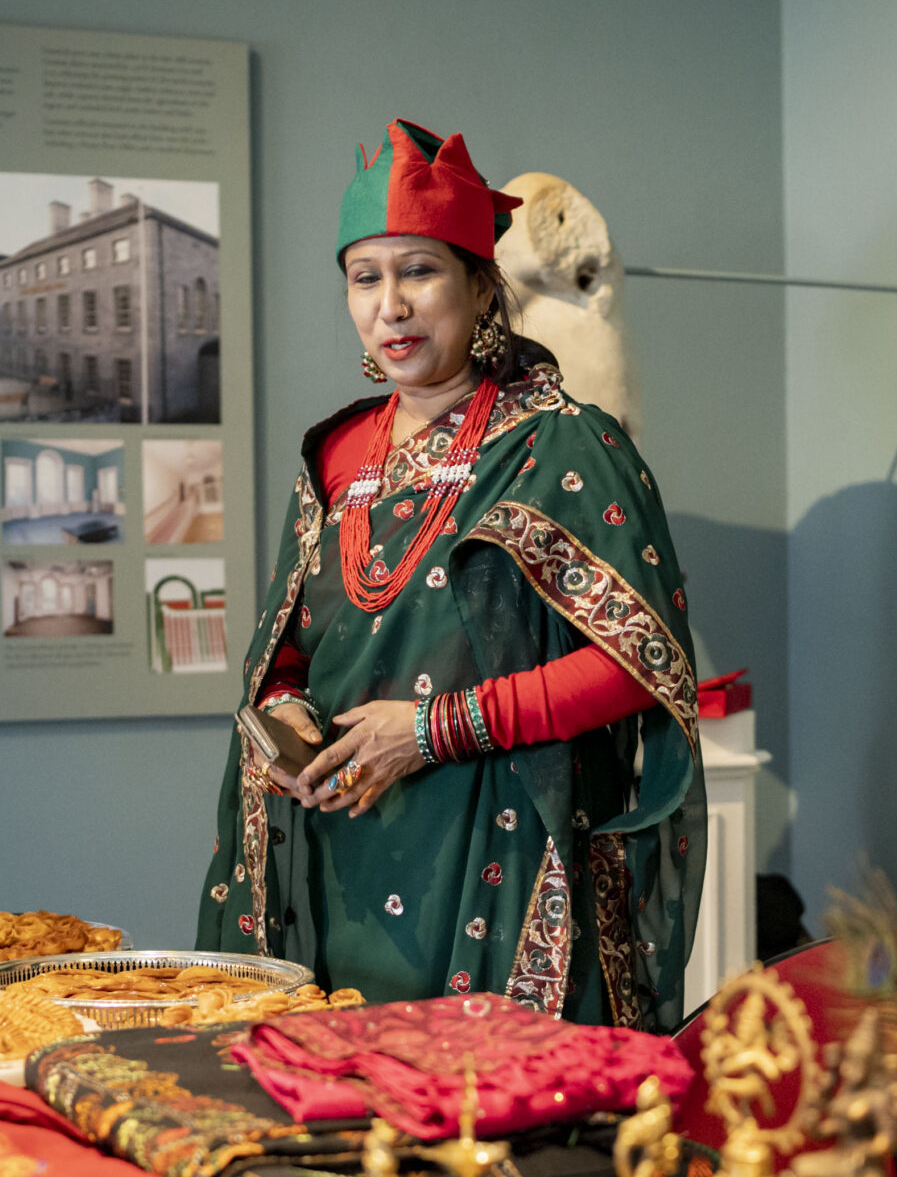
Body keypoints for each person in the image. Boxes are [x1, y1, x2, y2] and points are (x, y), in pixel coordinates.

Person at [197, 120, 705, 1030]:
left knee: (495, 1152)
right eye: (367, 277)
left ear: (480, 287)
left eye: (420, 272)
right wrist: (284, 716)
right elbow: (287, 652)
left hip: (504, 865)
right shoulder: (336, 457)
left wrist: (436, 729)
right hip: (345, 856)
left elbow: (640, 663)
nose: (391, 304)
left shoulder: (562, 445)